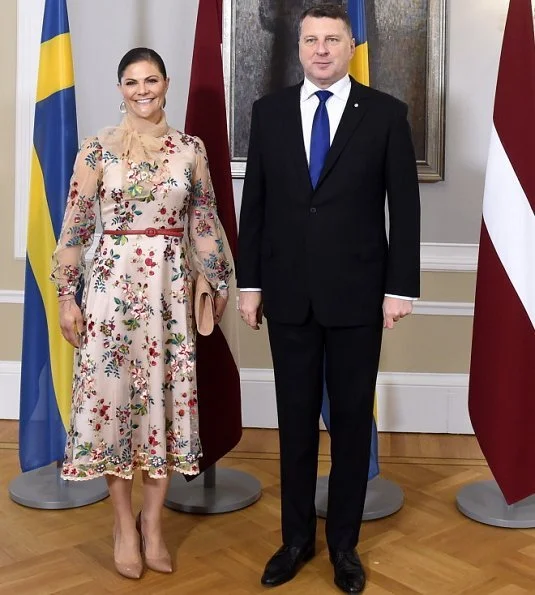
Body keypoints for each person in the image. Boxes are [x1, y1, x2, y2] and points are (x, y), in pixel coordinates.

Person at [238, 4, 420, 593]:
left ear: (349, 46)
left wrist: (399, 289)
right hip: (287, 296)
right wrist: (250, 285)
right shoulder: (267, 114)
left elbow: (405, 211)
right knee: (293, 425)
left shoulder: (387, 115)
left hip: (358, 298)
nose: (321, 49)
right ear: (299, 47)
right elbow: (256, 207)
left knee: (347, 424)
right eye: (311, 40)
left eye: (332, 39)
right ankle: (294, 541)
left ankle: (343, 546)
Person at [51, 47, 232, 579]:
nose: (142, 90)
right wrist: (67, 295)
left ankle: (153, 525)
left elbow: (205, 222)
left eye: (151, 80)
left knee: (165, 406)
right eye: (131, 81)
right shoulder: (96, 151)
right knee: (114, 405)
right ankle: (123, 524)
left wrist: (216, 280)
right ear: (120, 88)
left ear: (167, 84)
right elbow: (75, 229)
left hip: (170, 295)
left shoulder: (190, 150)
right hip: (110, 290)